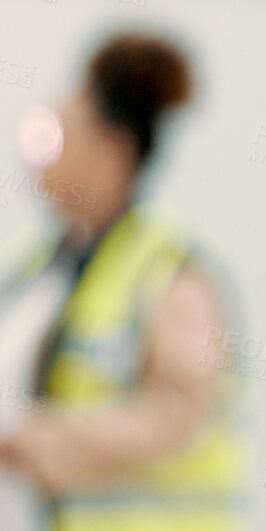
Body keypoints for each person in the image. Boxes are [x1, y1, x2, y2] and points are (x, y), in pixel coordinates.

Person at [0, 32, 242, 530]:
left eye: (59, 138)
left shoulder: (171, 272)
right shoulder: (43, 265)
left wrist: (38, 443)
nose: (40, 159)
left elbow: (181, 413)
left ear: (114, 152)